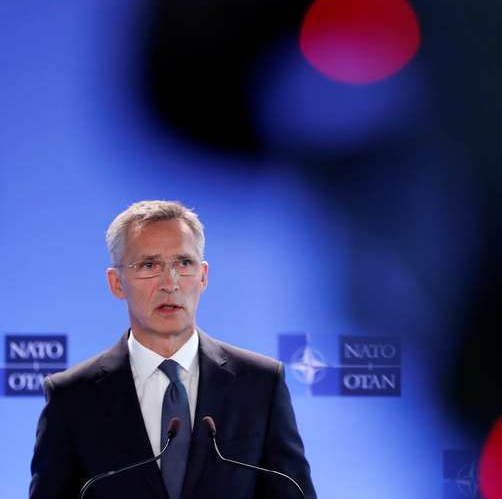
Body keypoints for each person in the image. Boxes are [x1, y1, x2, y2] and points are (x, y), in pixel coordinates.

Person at [30, 200, 316, 499]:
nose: (170, 283)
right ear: (116, 283)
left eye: (183, 263)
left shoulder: (260, 383)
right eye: (149, 265)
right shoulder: (72, 396)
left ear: (203, 276)